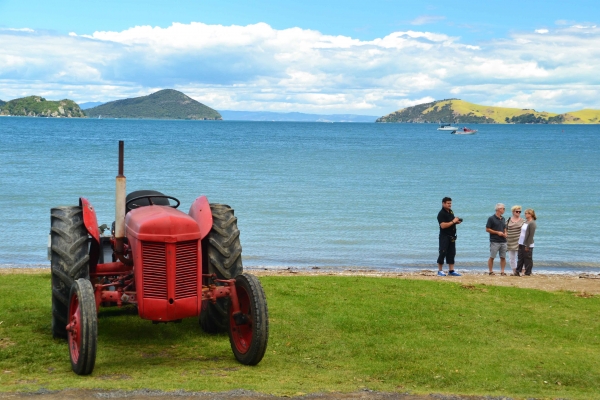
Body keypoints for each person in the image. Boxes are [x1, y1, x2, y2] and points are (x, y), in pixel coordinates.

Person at [437, 197, 462, 276]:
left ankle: (451, 270)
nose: (449, 205)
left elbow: (451, 222)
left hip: (452, 236)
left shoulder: (450, 212)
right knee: (443, 252)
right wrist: (453, 221)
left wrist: (456, 222)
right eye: (448, 203)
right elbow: (443, 226)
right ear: (443, 203)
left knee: (452, 253)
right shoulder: (441, 213)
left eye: (450, 203)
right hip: (444, 236)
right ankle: (440, 270)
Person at [485, 203, 507, 275]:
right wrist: (497, 232)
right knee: (492, 256)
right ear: (498, 209)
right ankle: (491, 271)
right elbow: (487, 229)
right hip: (495, 241)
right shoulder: (491, 218)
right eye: (503, 208)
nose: (504, 210)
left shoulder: (503, 218)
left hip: (503, 241)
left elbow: (504, 227)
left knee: (503, 257)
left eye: (504, 208)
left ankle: (502, 271)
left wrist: (505, 233)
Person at [516, 209, 537, 276]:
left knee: (528, 258)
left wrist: (527, 245)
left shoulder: (532, 223)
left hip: (527, 243)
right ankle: (518, 271)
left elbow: (531, 236)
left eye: (526, 213)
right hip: (521, 242)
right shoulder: (526, 222)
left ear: (530, 214)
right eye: (525, 213)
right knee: (520, 257)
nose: (525, 214)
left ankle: (528, 272)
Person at [506, 205, 525, 275]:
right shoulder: (508, 220)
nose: (518, 213)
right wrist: (505, 235)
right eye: (517, 211)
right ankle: (514, 271)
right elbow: (505, 229)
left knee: (520, 257)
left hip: (519, 241)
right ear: (513, 212)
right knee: (511, 258)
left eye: (520, 211)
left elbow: (525, 231)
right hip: (510, 241)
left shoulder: (523, 221)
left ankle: (522, 271)